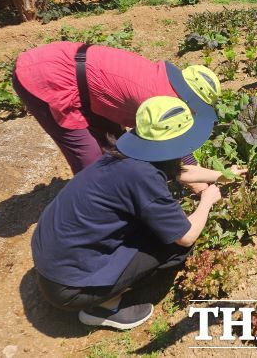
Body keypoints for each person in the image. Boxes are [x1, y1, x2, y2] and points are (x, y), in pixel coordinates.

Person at [31, 96, 232, 330]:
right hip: (70, 288)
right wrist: (206, 201)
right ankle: (104, 306)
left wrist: (222, 174)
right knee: (174, 246)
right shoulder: (143, 177)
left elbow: (175, 171)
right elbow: (185, 235)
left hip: (53, 259)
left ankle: (102, 287)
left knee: (147, 225)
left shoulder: (124, 155)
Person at [12, 41, 221, 174]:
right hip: (46, 77)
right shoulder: (159, 100)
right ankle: (97, 215)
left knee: (114, 143)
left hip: (80, 76)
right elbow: (173, 146)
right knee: (90, 160)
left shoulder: (168, 83)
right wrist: (201, 181)